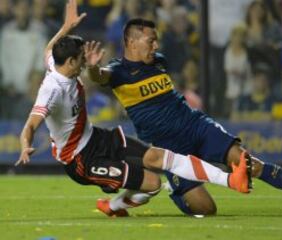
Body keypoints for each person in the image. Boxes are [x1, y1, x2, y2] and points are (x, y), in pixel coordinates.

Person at [15, 0, 252, 218]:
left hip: (98, 138)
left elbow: (50, 48)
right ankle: (115, 206)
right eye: (81, 59)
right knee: (153, 184)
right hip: (80, 160)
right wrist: (26, 145)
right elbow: (31, 124)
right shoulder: (52, 90)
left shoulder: (55, 62)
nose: (84, 62)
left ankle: (232, 180)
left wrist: (66, 26)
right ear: (69, 63)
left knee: (157, 157)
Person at [87, 18, 282, 215]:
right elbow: (100, 76)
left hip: (196, 126)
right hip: (169, 148)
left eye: (156, 41)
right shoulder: (118, 71)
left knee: (247, 162)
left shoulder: (159, 62)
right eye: (150, 41)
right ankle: (177, 190)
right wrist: (92, 67)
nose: (156, 46)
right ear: (131, 42)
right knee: (206, 209)